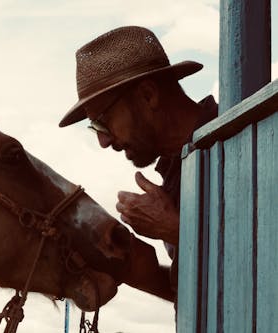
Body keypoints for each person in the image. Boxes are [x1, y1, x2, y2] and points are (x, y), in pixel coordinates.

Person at [58, 26, 217, 302]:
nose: (103, 142)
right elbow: (211, 291)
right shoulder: (176, 172)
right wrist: (135, 270)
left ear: (147, 95)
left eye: (102, 121)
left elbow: (262, 265)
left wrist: (177, 230)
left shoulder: (245, 142)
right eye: (95, 128)